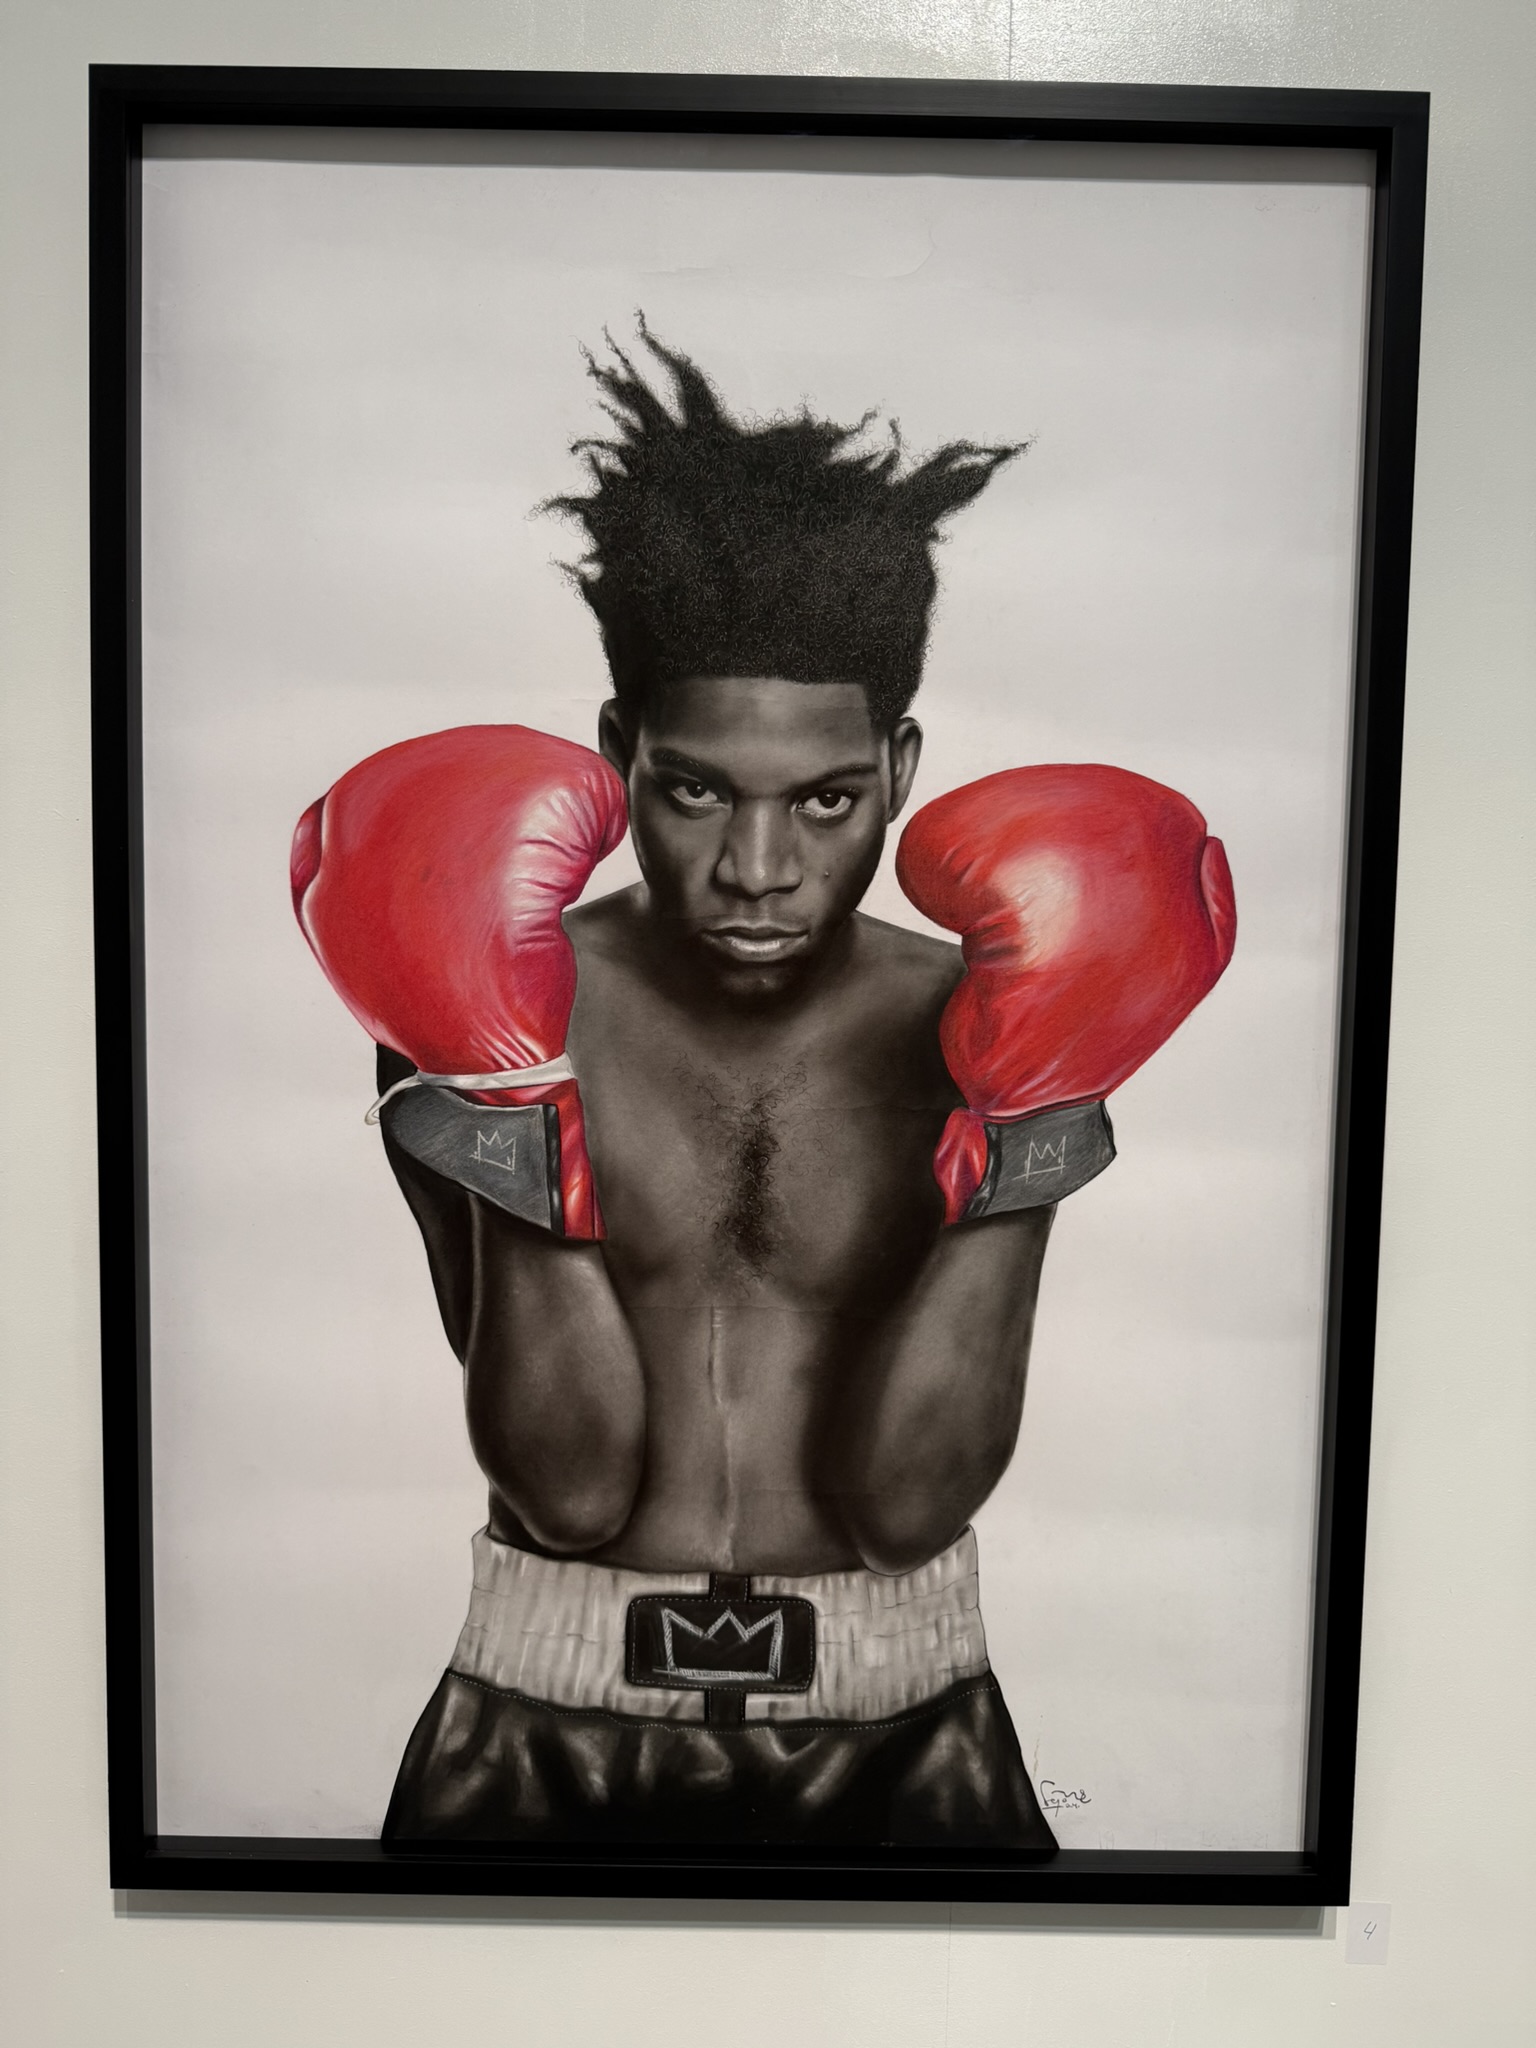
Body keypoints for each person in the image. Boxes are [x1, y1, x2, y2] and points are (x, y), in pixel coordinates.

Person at [292, 326, 1235, 1848]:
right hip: (540, 1725)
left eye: (828, 799)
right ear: (619, 754)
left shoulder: (980, 1018)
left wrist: (1031, 1120)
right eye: (694, 790)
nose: (758, 867)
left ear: (902, 768)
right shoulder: (473, 994)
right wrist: (514, 1090)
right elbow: (569, 1490)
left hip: (911, 1724)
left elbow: (908, 1505)